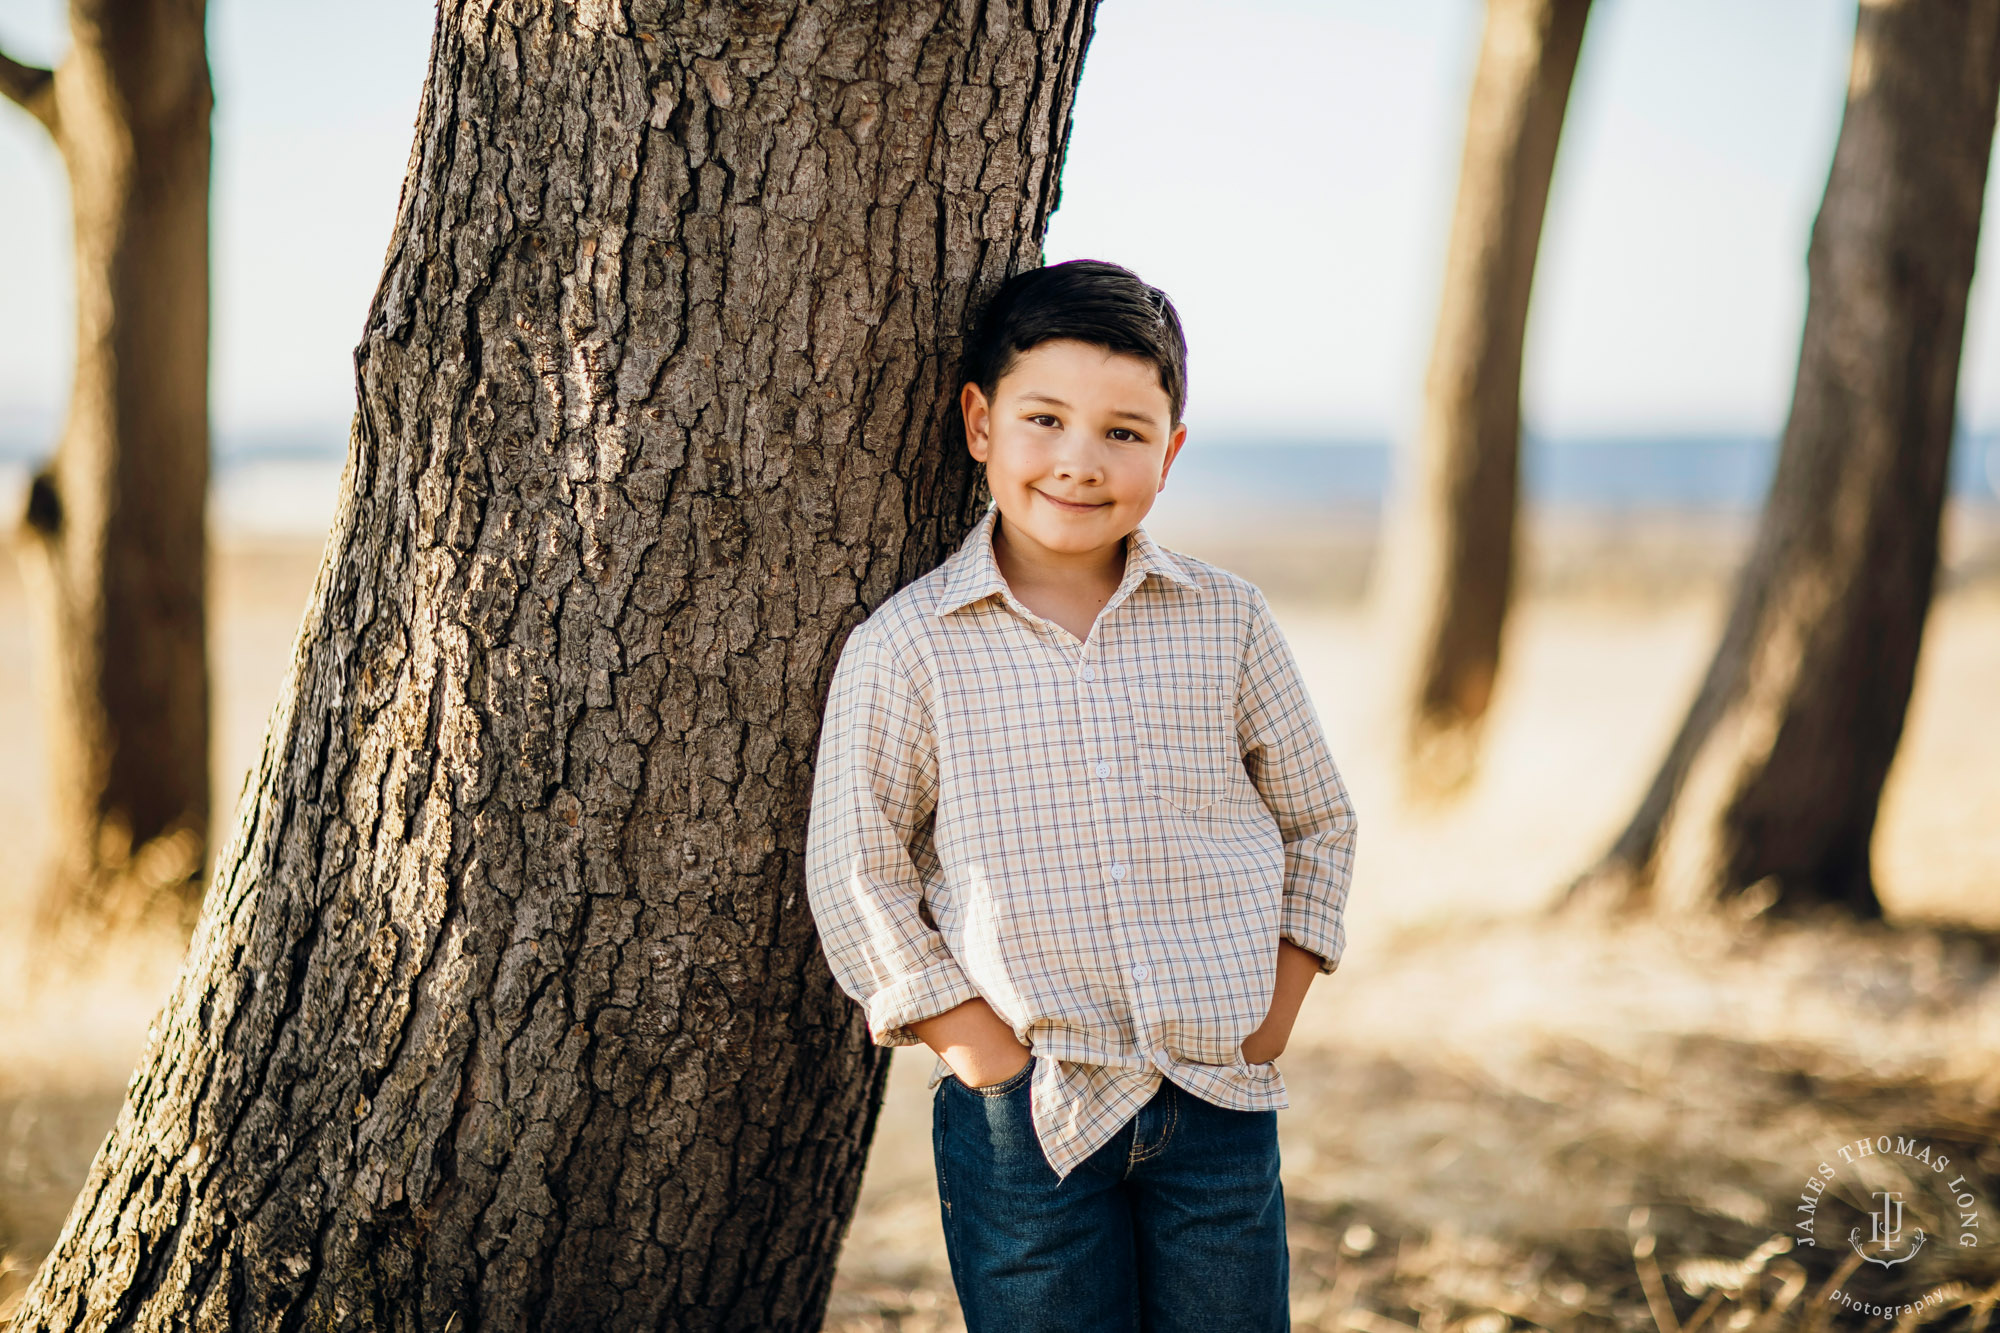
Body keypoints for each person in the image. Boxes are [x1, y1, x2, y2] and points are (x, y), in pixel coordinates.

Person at [804, 259, 1359, 1332]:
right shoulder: (908, 647)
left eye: (1122, 432)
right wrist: (980, 1052)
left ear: (1170, 452)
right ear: (979, 422)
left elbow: (1317, 819)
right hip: (1025, 1122)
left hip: (1215, 1098)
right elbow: (855, 864)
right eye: (1044, 419)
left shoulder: (1226, 622)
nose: (1078, 461)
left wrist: (1270, 1013)